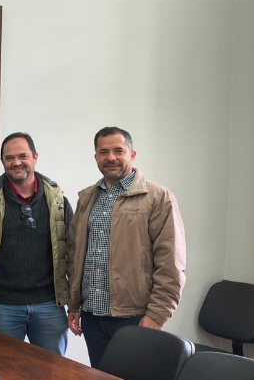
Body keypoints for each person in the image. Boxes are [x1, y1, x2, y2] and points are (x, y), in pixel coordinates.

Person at [66, 126, 186, 368]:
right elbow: (75, 254)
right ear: (96, 157)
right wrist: (75, 305)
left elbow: (171, 264)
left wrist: (156, 316)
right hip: (92, 317)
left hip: (135, 317)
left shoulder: (158, 198)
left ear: (132, 155)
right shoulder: (88, 198)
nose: (111, 157)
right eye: (103, 152)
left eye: (118, 150)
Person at [0, 132, 73, 355]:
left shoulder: (58, 201)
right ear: (3, 162)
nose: (16, 162)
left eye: (23, 156)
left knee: (52, 372)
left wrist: (75, 302)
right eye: (9, 158)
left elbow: (73, 251)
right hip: (2, 305)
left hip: (50, 304)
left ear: (35, 157)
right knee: (4, 369)